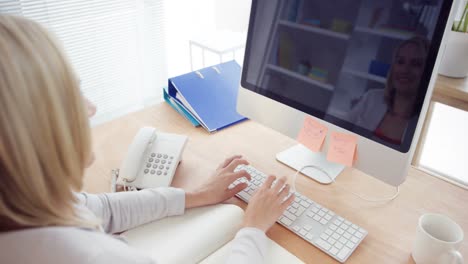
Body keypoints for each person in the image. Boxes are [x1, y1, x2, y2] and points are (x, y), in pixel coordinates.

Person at [0, 15, 294, 264]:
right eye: (72, 96)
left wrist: (198, 195)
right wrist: (254, 228)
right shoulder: (83, 255)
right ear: (31, 133)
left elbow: (100, 208)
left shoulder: (27, 207)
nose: (91, 109)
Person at [347, 37, 430, 145]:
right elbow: (339, 127)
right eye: (400, 62)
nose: (405, 70)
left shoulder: (426, 121)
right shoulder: (372, 97)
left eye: (415, 64)